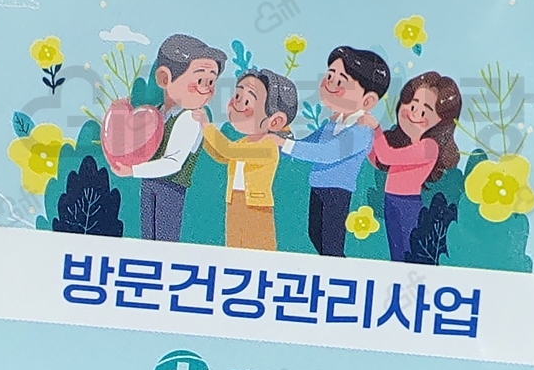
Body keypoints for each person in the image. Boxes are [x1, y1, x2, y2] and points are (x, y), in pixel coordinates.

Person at [267, 46, 390, 257]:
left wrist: (283, 143)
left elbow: (327, 153)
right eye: (330, 76)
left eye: (340, 82)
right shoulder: (332, 123)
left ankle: (340, 272)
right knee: (315, 234)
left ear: (367, 101)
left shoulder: (361, 131)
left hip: (337, 191)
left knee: (331, 245)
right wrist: (282, 137)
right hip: (317, 185)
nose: (330, 84)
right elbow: (306, 144)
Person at [112, 33, 226, 241]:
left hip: (170, 188)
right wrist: (120, 113)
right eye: (201, 80)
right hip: (149, 184)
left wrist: (133, 171)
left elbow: (173, 163)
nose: (207, 88)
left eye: (211, 81)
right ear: (165, 78)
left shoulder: (190, 118)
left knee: (165, 243)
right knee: (149, 239)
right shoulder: (156, 112)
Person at [194, 68, 298, 251]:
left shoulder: (267, 146)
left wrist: (207, 126)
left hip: (256, 206)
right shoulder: (244, 142)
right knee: (234, 246)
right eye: (237, 96)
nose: (237, 104)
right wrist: (201, 134)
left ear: (275, 121)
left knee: (259, 249)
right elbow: (221, 156)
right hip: (234, 201)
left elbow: (228, 150)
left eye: (247, 101)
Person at [364, 71, 462, 261]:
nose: (413, 112)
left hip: (406, 204)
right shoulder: (405, 142)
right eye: (411, 104)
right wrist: (364, 140)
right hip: (391, 200)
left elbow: (388, 156)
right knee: (395, 249)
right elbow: (378, 160)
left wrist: (376, 129)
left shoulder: (429, 147)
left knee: (406, 252)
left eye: (424, 111)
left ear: (441, 120)